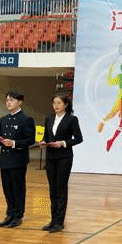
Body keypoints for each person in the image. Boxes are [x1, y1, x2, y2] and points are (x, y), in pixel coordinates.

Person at [0, 90, 35, 228]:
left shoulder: (26, 119)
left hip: (18, 159)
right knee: (7, 188)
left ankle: (18, 215)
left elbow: (30, 140)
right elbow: (2, 138)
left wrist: (14, 143)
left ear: (20, 102)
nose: (8, 102)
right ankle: (10, 214)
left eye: (12, 100)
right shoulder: (4, 119)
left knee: (17, 189)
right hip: (5, 159)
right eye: (7, 100)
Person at [39, 94, 83, 233]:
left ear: (65, 105)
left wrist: (63, 143)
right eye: (54, 103)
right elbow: (46, 137)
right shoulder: (49, 118)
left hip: (64, 157)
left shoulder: (72, 119)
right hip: (50, 157)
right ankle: (53, 220)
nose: (56, 105)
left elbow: (79, 138)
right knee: (52, 189)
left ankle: (59, 222)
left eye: (59, 103)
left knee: (61, 188)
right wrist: (43, 142)